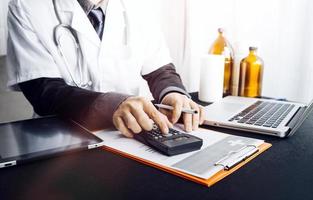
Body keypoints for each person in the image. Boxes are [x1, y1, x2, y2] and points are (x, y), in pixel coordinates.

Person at [6, 0, 204, 138]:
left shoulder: (139, 5)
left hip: (129, 135)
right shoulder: (26, 6)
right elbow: (43, 91)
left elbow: (160, 69)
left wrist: (172, 94)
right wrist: (112, 105)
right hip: (62, 140)